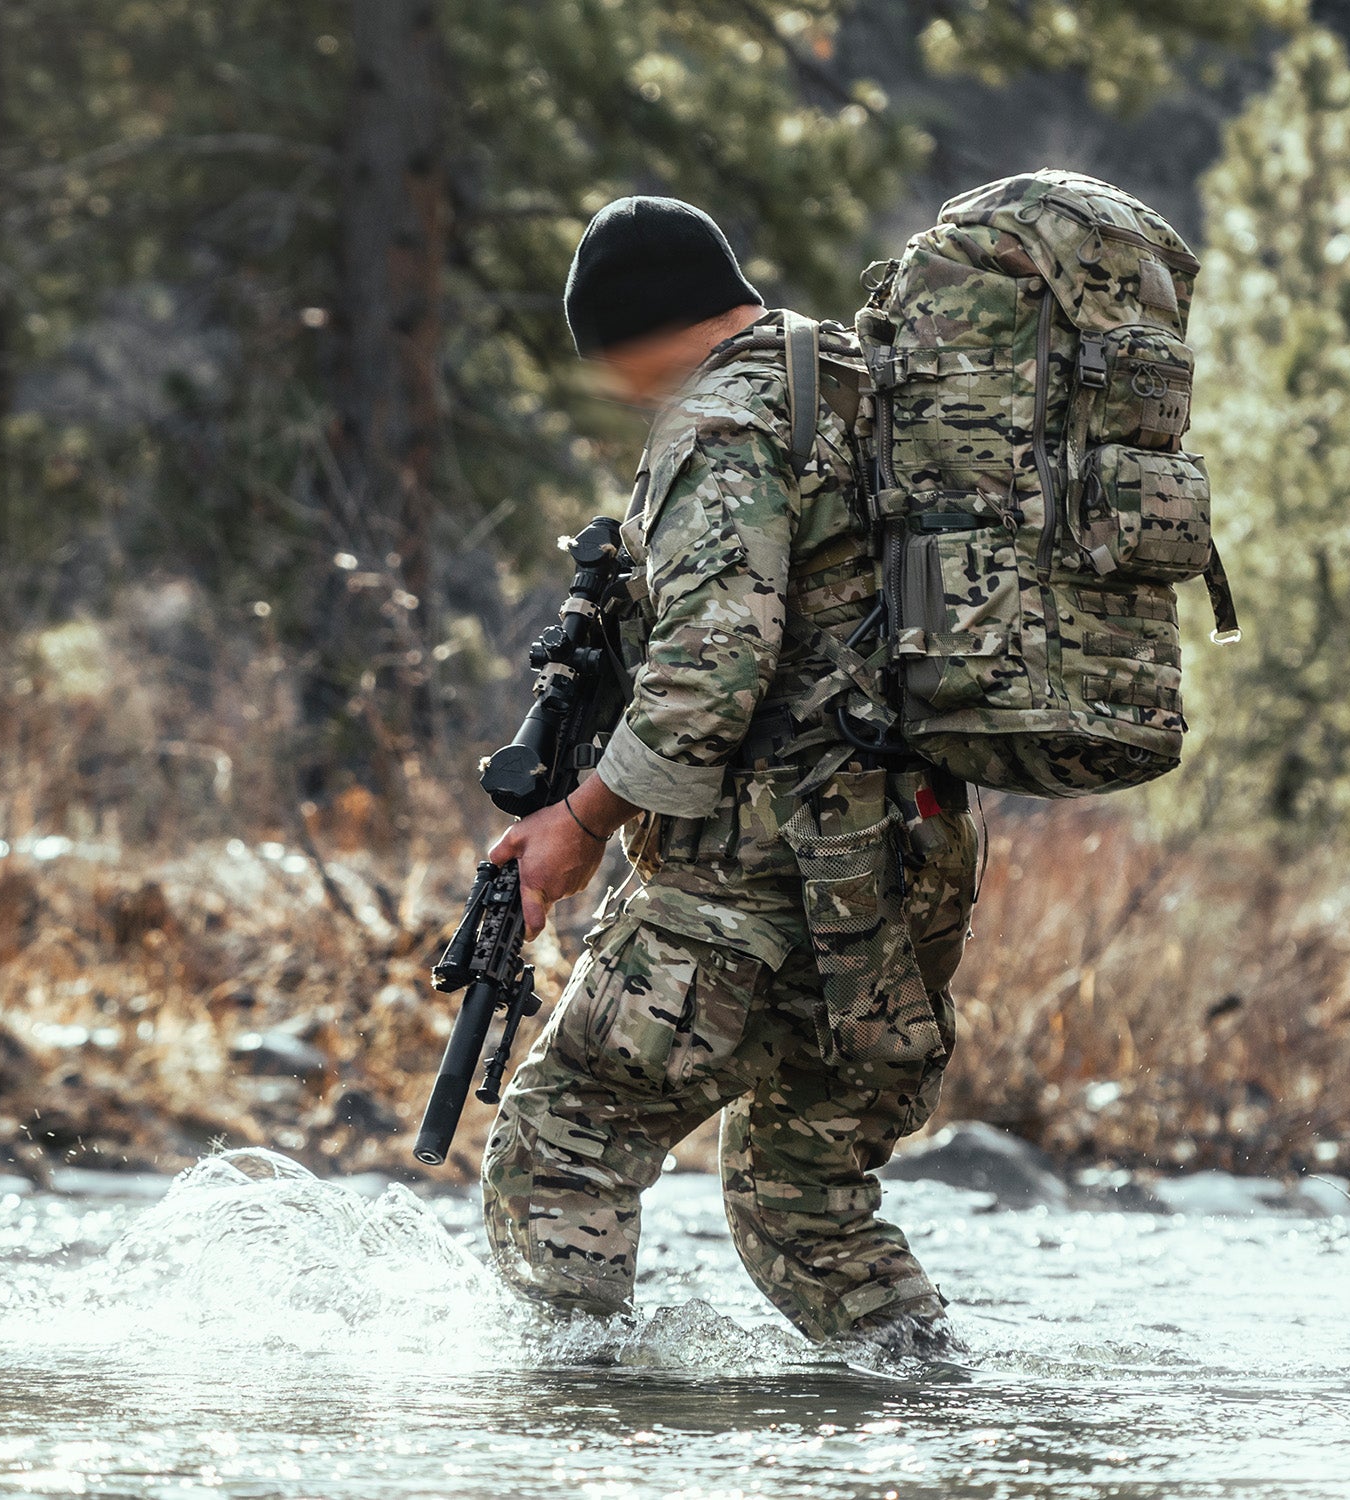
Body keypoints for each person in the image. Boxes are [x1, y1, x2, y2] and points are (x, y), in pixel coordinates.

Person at [478, 195, 979, 1361]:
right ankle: (933, 1411)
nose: (613, 390)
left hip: (767, 867)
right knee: (805, 1200)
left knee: (561, 1144)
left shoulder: (722, 422)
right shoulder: (853, 387)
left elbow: (709, 677)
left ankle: (576, 1417)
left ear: (635, 328)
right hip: (912, 857)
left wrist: (581, 821)